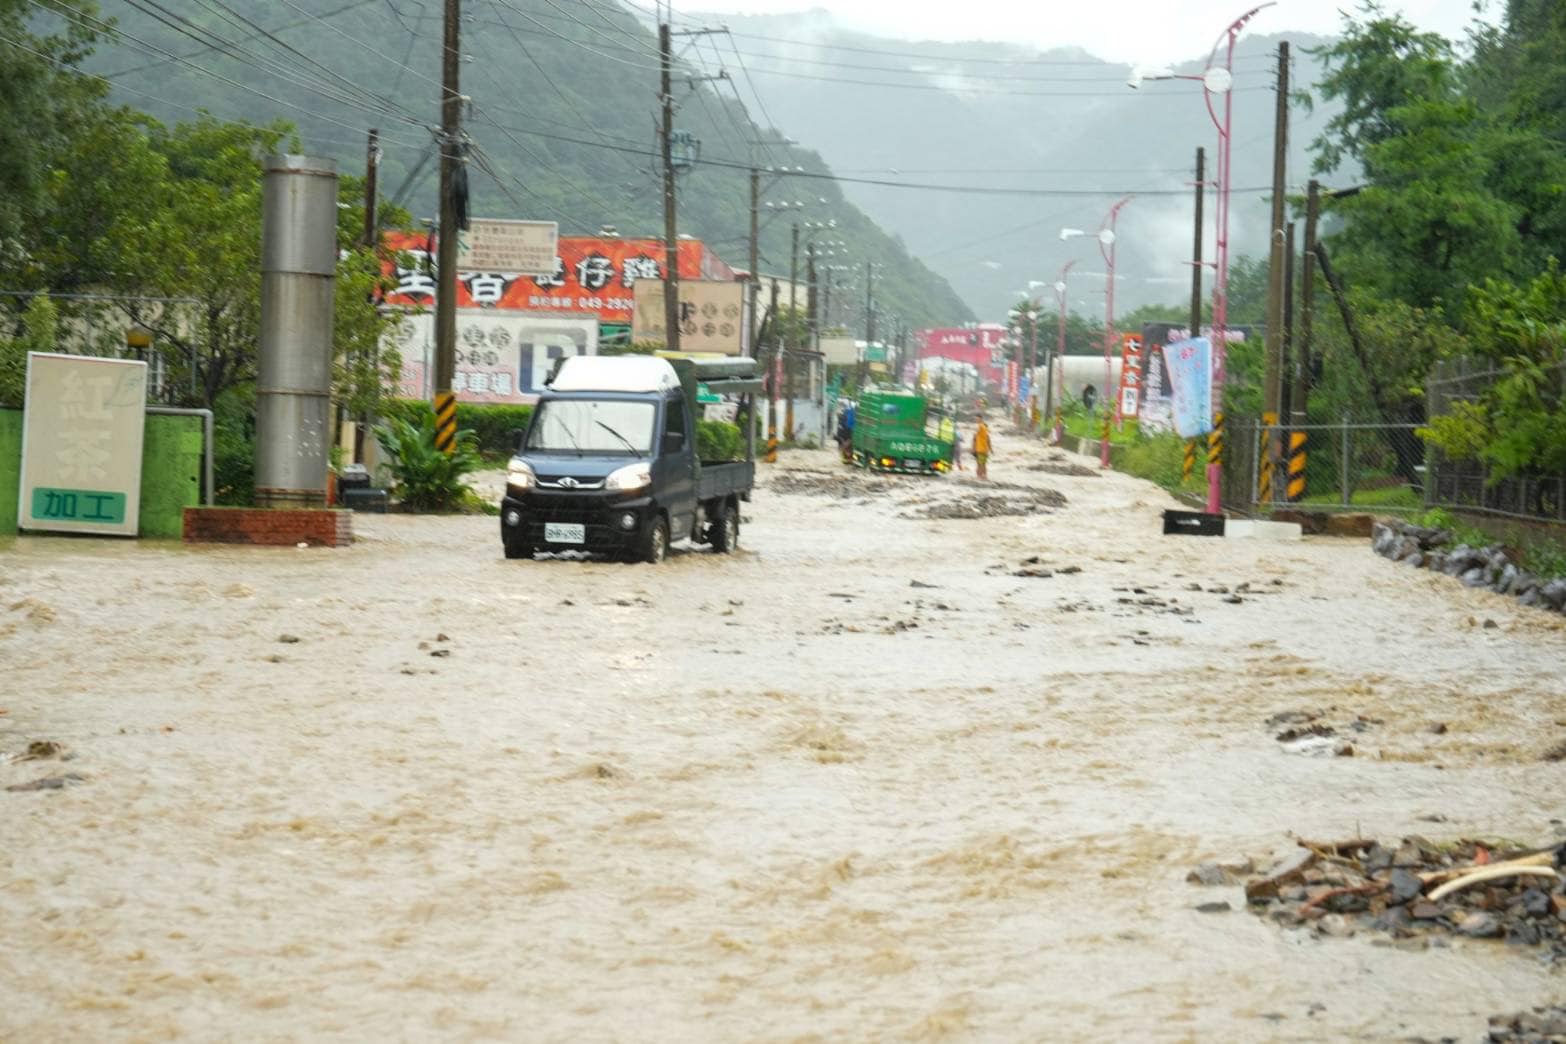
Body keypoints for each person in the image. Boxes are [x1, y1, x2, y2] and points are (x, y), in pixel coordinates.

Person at [973, 414, 992, 480]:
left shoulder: (980, 426)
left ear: (981, 419)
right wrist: (990, 449)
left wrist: (973, 448)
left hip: (980, 448)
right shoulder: (985, 427)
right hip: (985, 449)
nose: (976, 420)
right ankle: (984, 476)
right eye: (976, 419)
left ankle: (980, 476)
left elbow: (974, 438)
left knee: (979, 464)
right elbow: (988, 438)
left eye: (977, 419)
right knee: (983, 464)